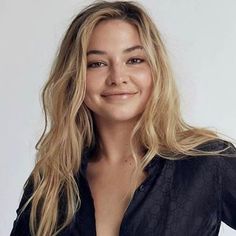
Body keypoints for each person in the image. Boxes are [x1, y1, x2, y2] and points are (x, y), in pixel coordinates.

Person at [10, 1, 236, 236]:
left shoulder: (207, 163)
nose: (118, 77)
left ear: (156, 69)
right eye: (96, 64)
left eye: (134, 60)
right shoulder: (51, 181)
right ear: (74, 77)